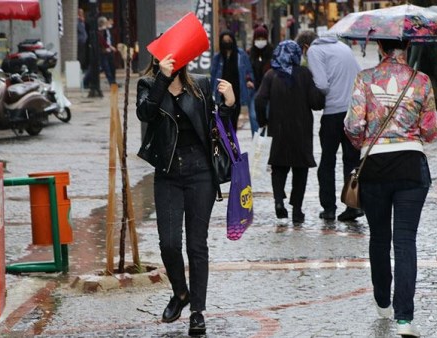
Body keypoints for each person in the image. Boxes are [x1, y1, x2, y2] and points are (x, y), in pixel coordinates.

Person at [344, 39, 437, 337]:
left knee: (379, 237)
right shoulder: (422, 81)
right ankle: (404, 319)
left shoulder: (365, 78)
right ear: (407, 48)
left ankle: (382, 299)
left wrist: (368, 138)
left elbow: (354, 126)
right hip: (411, 164)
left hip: (375, 166)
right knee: (405, 241)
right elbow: (430, 131)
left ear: (381, 49)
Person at [136, 54, 235, 336]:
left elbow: (217, 125)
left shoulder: (200, 86)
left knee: (196, 245)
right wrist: (163, 79)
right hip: (168, 173)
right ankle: (181, 293)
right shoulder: (148, 86)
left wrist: (229, 104)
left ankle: (197, 312)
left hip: (200, 173)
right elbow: (145, 113)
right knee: (168, 243)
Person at [255, 40, 325, 224]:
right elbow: (316, 103)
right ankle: (297, 210)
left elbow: (259, 100)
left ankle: (279, 202)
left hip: (278, 129)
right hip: (301, 130)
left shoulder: (271, 75)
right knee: (300, 170)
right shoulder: (304, 74)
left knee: (278, 168)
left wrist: (263, 121)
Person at [304, 31, 363, 222]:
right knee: (352, 161)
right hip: (352, 112)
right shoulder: (344, 47)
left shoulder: (314, 51)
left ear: (305, 47)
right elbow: (359, 73)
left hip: (332, 113)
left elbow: (322, 84)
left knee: (327, 162)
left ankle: (329, 208)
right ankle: (353, 205)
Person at [211, 30, 254, 130]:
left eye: (229, 40)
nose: (227, 43)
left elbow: (248, 71)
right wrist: (211, 92)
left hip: (237, 92)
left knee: (234, 118)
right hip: (221, 93)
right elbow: (213, 76)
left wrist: (249, 80)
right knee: (223, 119)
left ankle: (232, 141)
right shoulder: (218, 58)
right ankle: (225, 141)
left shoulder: (241, 55)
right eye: (224, 41)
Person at [247, 25, 274, 135]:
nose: (260, 41)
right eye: (258, 39)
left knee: (268, 115)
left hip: (269, 90)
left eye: (263, 39)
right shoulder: (249, 53)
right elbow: (246, 69)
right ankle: (257, 139)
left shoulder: (272, 52)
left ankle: (269, 141)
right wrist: (248, 79)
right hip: (254, 89)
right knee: (254, 116)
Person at [97, 16, 116, 85]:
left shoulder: (106, 29)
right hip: (103, 51)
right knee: (106, 67)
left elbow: (110, 26)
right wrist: (110, 47)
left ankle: (113, 81)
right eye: (105, 22)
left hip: (109, 50)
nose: (107, 23)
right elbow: (103, 41)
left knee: (112, 66)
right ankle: (112, 82)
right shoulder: (100, 30)